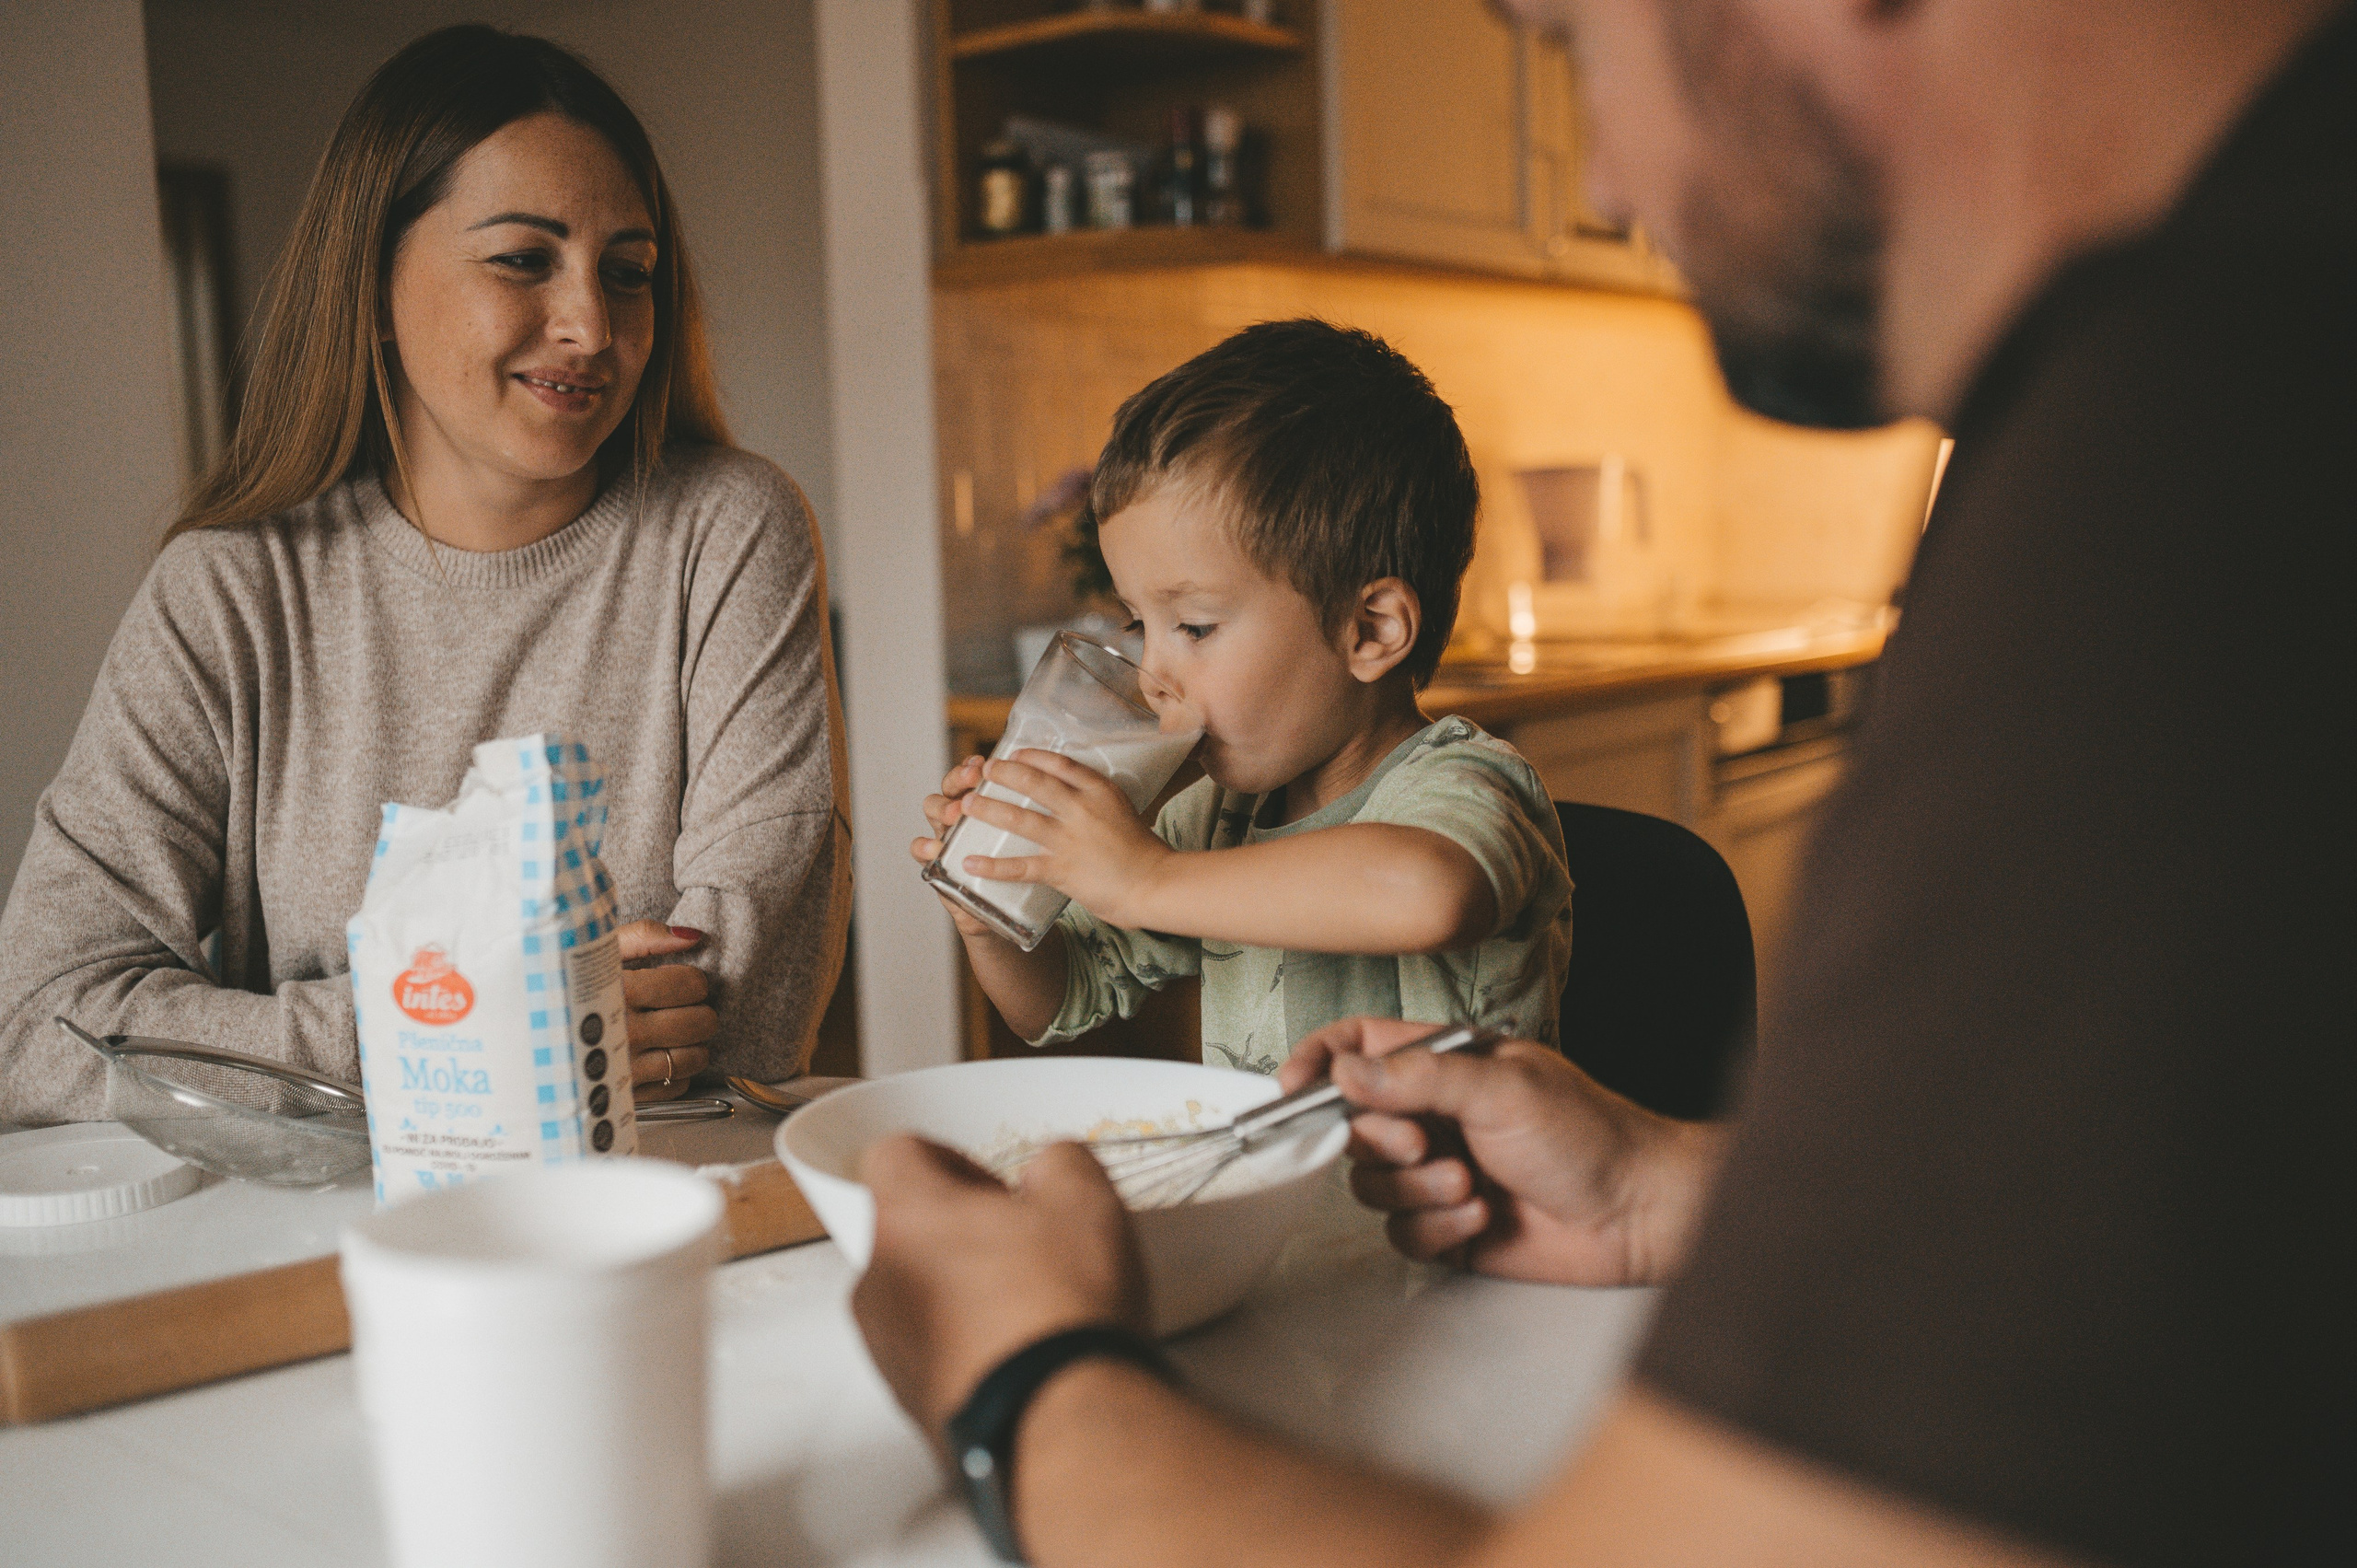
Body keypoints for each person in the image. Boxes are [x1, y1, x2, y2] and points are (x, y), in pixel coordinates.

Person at [853, 1, 2345, 1565]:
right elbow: (2137, 1248)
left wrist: (1020, 1378)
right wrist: (1670, 1188)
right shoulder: (2220, 366)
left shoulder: (2208, 450)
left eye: (1571, 39)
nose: (1611, 184)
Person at [0, 26, 850, 1122]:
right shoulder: (226, 596)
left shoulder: (727, 533)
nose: (591, 323)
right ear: (373, 283)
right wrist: (449, 1029)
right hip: (335, 1239)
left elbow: (749, 1009)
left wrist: (357, 1048)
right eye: (522, 259)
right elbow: (37, 1023)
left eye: (628, 273)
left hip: (660, 1217)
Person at [913, 321, 1573, 1073]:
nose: (1153, 672)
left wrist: (1146, 879)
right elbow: (1062, 1001)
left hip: (1449, 1191)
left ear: (1371, 629)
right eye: (1139, 622)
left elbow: (1431, 892)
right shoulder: (1218, 817)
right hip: (1272, 1191)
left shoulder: (1471, 785)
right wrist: (991, 922)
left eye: (1193, 626)